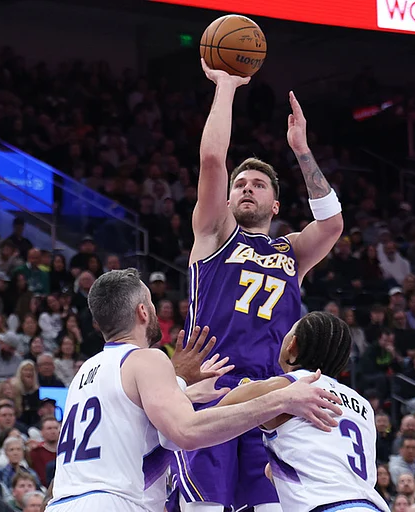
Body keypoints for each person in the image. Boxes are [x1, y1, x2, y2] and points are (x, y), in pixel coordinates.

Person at [173, 59, 344, 512]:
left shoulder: (291, 252)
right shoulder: (214, 234)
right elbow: (212, 158)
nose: (248, 188)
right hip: (211, 390)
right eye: (241, 184)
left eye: (259, 184)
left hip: (273, 399)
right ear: (228, 198)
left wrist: (301, 149)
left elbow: (331, 224)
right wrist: (226, 86)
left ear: (275, 201)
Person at [45, 269, 342, 512]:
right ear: (143, 313)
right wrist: (281, 398)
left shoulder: (85, 373)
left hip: (63, 502)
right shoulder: (148, 358)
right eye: (150, 302)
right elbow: (187, 433)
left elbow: (131, 426)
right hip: (113, 502)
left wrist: (183, 390)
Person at [218, 311, 389, 512]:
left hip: (326, 506)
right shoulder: (363, 404)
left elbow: (210, 421)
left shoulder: (286, 386)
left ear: (293, 344)